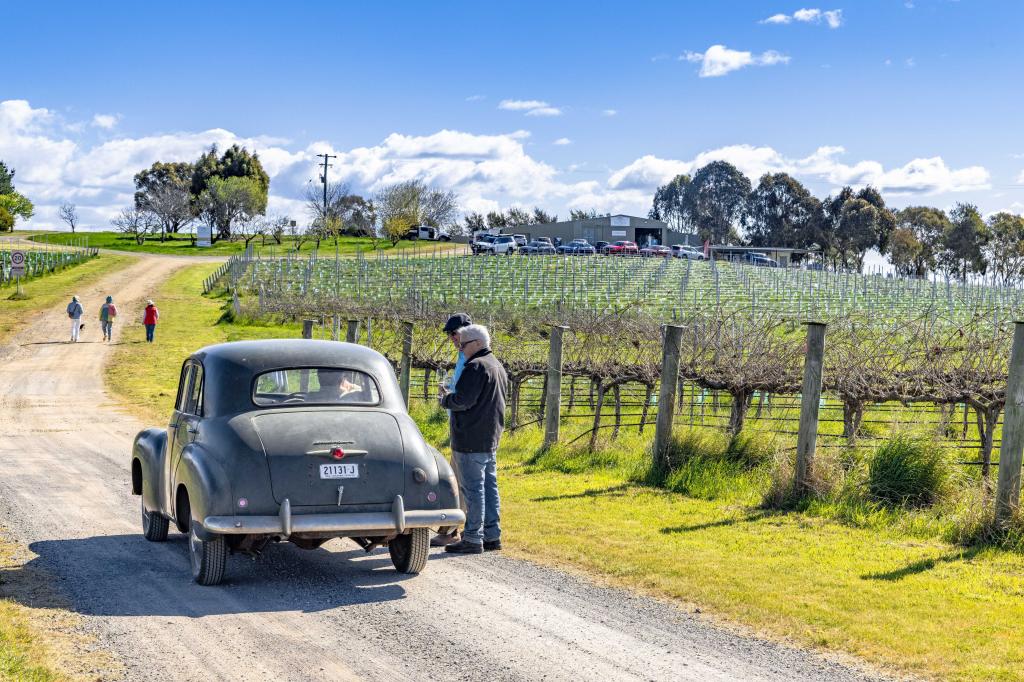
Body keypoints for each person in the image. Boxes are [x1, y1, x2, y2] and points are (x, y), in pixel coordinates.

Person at [439, 324, 508, 554]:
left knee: (473, 490)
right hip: (490, 437)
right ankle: (492, 535)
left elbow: (463, 401)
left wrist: (446, 399)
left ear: (477, 343)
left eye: (464, 344)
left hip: (470, 438)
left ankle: (472, 538)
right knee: (490, 488)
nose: (461, 348)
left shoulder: (475, 367)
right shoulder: (496, 365)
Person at [431, 313, 473, 548]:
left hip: (465, 424)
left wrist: (450, 397)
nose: (452, 339)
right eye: (450, 335)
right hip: (456, 421)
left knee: (458, 480)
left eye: (454, 333)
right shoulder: (461, 356)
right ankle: (456, 529)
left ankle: (455, 530)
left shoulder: (470, 358)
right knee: (457, 479)